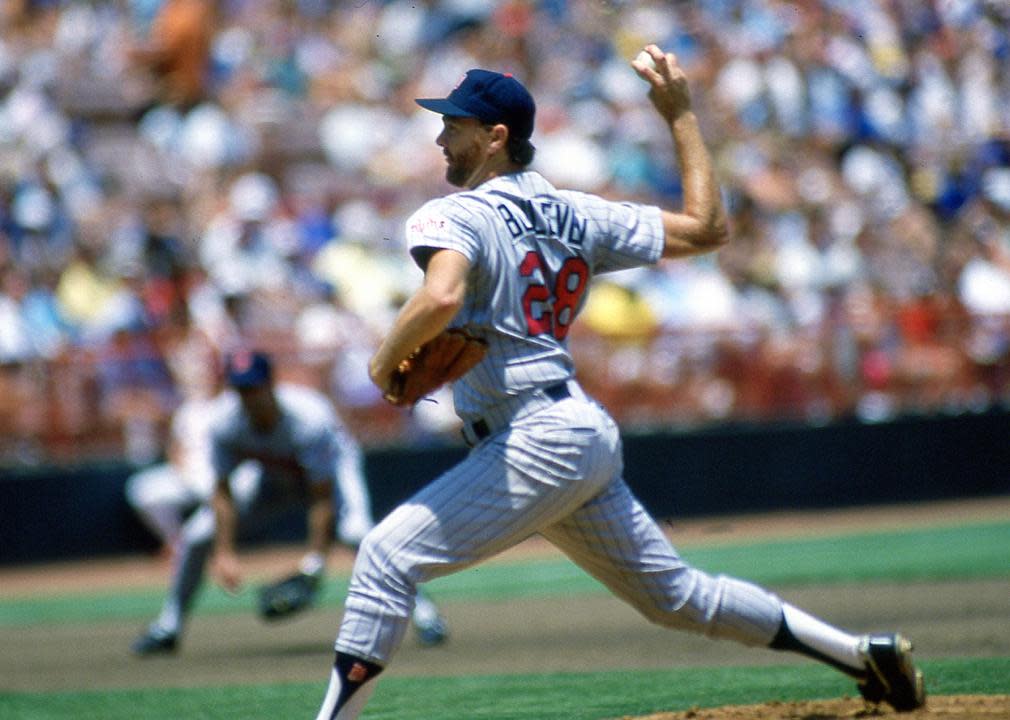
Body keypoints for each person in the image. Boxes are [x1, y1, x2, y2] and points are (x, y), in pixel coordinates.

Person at [312, 47, 926, 718]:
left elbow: (439, 299)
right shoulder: (578, 213)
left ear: (496, 138)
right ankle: (863, 654)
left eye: (453, 125)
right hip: (575, 433)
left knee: (384, 558)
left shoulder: (456, 215)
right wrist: (682, 115)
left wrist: (381, 364)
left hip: (533, 437)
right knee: (679, 599)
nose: (439, 137)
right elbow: (707, 230)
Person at [130, 350, 448, 655]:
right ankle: (167, 627)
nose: (248, 396)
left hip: (334, 473)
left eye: (254, 387)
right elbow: (222, 493)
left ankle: (425, 614)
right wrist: (224, 552)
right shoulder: (224, 422)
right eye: (241, 389)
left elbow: (321, 498)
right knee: (197, 536)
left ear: (270, 385)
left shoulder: (307, 418)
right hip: (272, 480)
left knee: (357, 534)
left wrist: (315, 562)